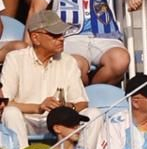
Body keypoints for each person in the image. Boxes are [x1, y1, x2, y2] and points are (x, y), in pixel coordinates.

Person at [0, 9, 87, 139]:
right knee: (10, 113)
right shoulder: (15, 59)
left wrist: (68, 107)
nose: (61, 38)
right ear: (35, 38)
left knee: (93, 113)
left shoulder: (69, 61)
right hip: (25, 120)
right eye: (55, 35)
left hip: (58, 122)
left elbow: (82, 102)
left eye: (62, 34)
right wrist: (38, 108)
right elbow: (4, 103)